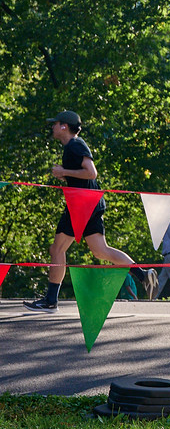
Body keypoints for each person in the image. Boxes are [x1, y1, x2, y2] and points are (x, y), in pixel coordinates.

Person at [24, 111, 151, 312]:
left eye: (55, 124)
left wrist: (64, 172)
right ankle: (143, 275)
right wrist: (66, 177)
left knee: (57, 249)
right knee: (100, 251)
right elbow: (84, 176)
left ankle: (50, 301)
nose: (52, 127)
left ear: (64, 126)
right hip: (89, 203)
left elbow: (91, 173)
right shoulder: (72, 146)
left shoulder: (75, 144)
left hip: (82, 205)